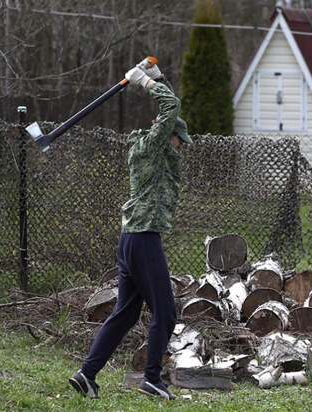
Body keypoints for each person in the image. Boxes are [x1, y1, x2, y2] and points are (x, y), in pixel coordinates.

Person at [69, 60, 192, 400]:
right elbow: (171, 107)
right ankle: (152, 378)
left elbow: (171, 110)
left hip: (130, 240)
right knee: (165, 313)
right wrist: (143, 83)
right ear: (169, 137)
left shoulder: (150, 148)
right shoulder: (155, 147)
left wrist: (158, 78)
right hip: (143, 239)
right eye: (180, 142)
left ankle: (86, 374)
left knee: (125, 314)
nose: (181, 148)